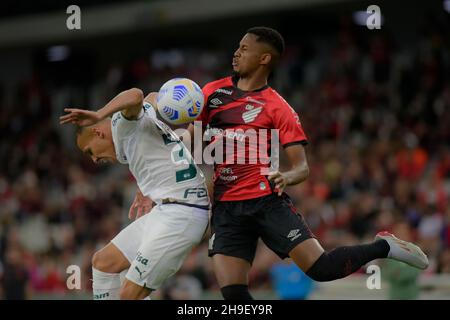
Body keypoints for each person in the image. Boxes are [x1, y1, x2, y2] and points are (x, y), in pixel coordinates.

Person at [131, 27, 429, 300]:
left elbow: (302, 167)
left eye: (244, 48)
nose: (236, 52)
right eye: (237, 46)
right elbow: (190, 139)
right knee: (234, 295)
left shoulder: (278, 107)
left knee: (321, 269)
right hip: (226, 208)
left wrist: (287, 176)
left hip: (266, 201)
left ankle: (384, 247)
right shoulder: (212, 93)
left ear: (264, 58)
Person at [60, 89, 210, 300]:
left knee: (129, 294)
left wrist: (99, 114)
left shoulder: (122, 125)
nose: (94, 159)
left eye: (90, 151)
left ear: (98, 133)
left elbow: (136, 95)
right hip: (167, 210)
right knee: (103, 263)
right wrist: (145, 186)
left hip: (183, 213)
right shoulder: (136, 124)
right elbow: (152, 96)